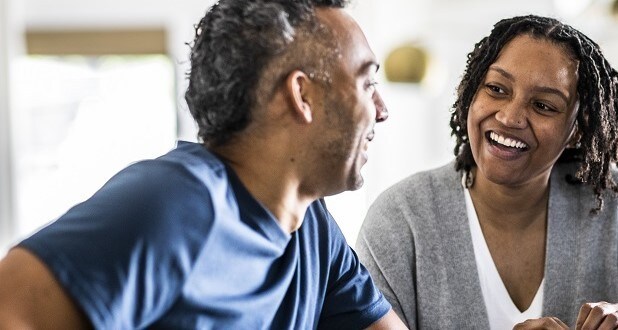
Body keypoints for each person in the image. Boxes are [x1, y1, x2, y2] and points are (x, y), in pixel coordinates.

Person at [0, 0, 408, 328]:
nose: (381, 110)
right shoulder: (178, 201)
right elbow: (11, 305)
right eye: (367, 82)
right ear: (302, 95)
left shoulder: (312, 229)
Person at [356, 15, 618, 330]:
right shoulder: (400, 221)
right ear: (472, 92)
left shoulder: (617, 202)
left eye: (544, 106)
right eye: (496, 89)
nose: (510, 117)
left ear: (577, 129)